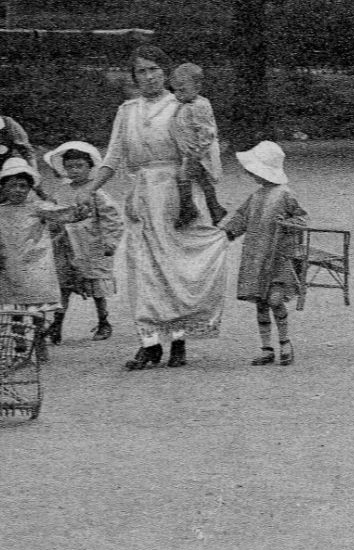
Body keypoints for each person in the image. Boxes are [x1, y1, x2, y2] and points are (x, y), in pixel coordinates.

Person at [89, 46, 234, 371]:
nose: (149, 76)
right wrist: (90, 189)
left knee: (176, 266)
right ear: (134, 76)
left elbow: (202, 149)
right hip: (142, 195)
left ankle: (178, 339)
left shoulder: (182, 106)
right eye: (141, 71)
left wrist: (192, 196)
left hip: (176, 194)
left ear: (165, 73)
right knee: (143, 268)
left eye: (154, 69)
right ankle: (149, 343)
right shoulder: (127, 111)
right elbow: (112, 157)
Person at [0, 157, 89, 362]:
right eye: (13, 185)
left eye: (23, 186)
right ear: (3, 188)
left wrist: (80, 210)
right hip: (11, 268)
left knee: (37, 310)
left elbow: (66, 214)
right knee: (14, 310)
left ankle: (38, 345)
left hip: (37, 266)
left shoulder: (39, 208)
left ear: (30, 188)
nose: (18, 190)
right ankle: (20, 348)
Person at [221, 141, 307, 366]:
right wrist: (226, 233)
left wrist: (288, 222)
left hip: (280, 257)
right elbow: (241, 218)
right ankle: (266, 348)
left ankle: (285, 343)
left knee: (275, 299)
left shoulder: (286, 195)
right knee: (260, 302)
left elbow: (303, 219)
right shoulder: (256, 196)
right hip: (257, 256)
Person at [40, 142, 122, 344]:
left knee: (96, 286)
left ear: (89, 167)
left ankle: (103, 321)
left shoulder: (96, 192)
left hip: (90, 244)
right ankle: (57, 326)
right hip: (65, 245)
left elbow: (112, 219)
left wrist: (110, 242)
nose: (74, 171)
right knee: (63, 286)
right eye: (70, 167)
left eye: (79, 166)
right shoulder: (61, 192)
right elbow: (52, 215)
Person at [170, 63, 228, 228]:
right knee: (203, 181)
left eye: (182, 90)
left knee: (183, 176)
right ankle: (215, 208)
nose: (178, 95)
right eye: (176, 91)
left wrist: (198, 153)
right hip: (191, 150)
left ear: (197, 87)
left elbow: (207, 132)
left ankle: (188, 209)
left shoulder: (199, 106)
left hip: (198, 152)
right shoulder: (186, 104)